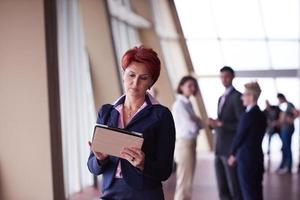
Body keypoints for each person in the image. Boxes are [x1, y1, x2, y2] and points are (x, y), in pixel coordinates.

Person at [87, 46, 176, 200]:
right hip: (110, 193)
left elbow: (165, 171)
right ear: (123, 75)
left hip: (145, 195)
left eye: (143, 78)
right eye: (131, 75)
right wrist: (100, 160)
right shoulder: (106, 112)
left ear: (151, 82)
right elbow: (92, 167)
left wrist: (144, 164)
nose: (135, 83)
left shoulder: (161, 115)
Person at [207, 66, 244, 200]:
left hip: (229, 149)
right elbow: (222, 122)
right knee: (222, 186)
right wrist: (214, 124)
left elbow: (241, 125)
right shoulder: (221, 97)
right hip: (219, 147)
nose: (224, 79)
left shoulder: (238, 97)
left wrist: (221, 124)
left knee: (233, 185)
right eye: (221, 77)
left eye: (227, 76)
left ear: (233, 77)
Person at [228, 82, 267, 200]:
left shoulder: (247, 115)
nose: (242, 97)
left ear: (250, 96)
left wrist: (232, 154)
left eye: (244, 94)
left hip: (246, 159)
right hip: (257, 157)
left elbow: (240, 136)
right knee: (257, 192)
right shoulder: (261, 115)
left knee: (248, 193)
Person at [172, 76, 202, 200]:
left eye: (194, 86)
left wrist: (196, 122)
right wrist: (197, 121)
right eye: (190, 85)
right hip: (184, 145)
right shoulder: (180, 105)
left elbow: (198, 124)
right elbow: (194, 127)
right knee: (184, 183)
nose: (193, 88)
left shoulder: (187, 103)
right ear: (181, 87)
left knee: (186, 182)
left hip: (189, 144)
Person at [276, 93, 298, 174]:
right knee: (284, 147)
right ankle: (284, 165)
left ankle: (288, 167)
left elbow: (296, 113)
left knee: (287, 147)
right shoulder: (283, 106)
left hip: (288, 129)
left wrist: (291, 119)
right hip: (284, 128)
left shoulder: (289, 105)